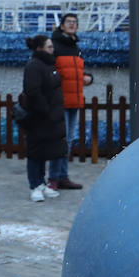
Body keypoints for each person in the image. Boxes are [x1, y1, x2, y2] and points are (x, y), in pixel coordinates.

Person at [19, 35, 65, 203]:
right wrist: (45, 110)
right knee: (35, 152)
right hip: (39, 117)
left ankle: (42, 182)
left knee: (46, 151)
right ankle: (35, 185)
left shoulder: (48, 64)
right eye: (49, 47)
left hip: (49, 118)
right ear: (40, 48)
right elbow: (33, 92)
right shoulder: (34, 66)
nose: (53, 49)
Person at [49, 14, 89, 191]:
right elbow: (52, 73)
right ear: (62, 26)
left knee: (69, 140)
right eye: (69, 22)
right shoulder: (54, 46)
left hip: (75, 101)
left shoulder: (77, 48)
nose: (72, 25)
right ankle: (53, 178)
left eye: (75, 22)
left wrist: (89, 78)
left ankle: (63, 176)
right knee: (59, 140)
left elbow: (76, 73)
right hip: (60, 101)